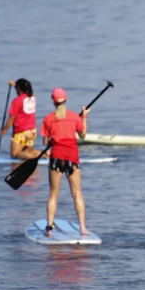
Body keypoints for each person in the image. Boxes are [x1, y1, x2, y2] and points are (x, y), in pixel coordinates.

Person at [39, 88, 90, 237]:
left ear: (53, 101)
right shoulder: (75, 117)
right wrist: (84, 118)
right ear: (66, 100)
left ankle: (49, 228)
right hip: (72, 157)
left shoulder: (48, 119)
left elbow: (45, 142)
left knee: (53, 193)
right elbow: (83, 135)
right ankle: (83, 228)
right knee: (77, 192)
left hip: (56, 157)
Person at [0, 78, 41, 160]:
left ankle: (40, 155)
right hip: (32, 131)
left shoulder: (17, 101)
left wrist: (4, 130)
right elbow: (24, 88)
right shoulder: (32, 97)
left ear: (19, 89)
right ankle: (46, 154)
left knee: (14, 154)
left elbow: (11, 118)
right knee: (26, 153)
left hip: (20, 132)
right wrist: (15, 85)